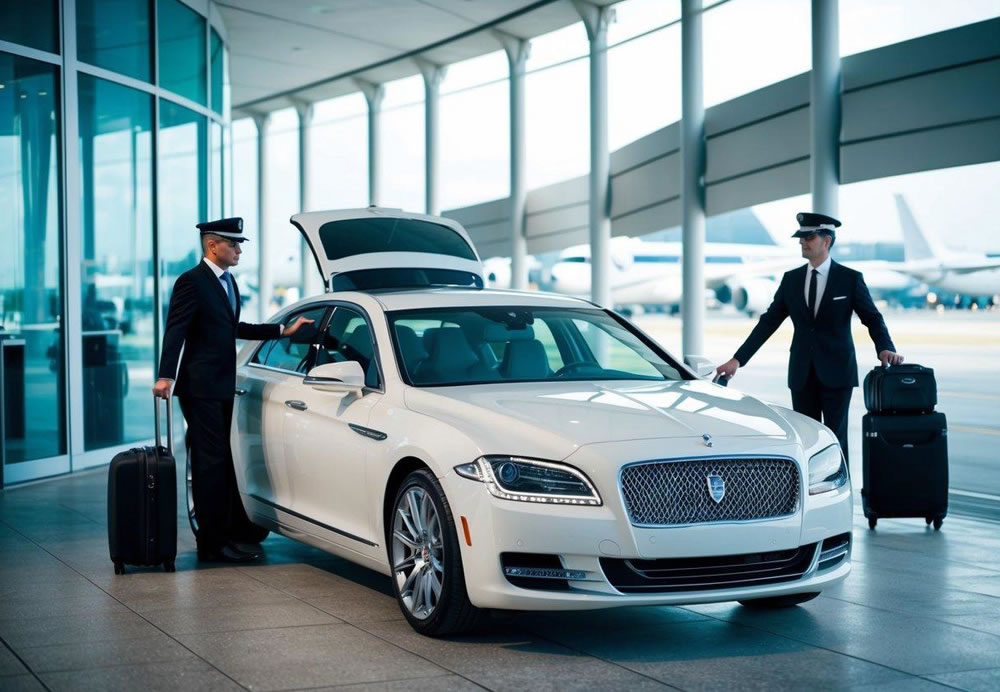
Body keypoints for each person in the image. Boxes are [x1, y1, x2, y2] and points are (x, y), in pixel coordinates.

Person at [153, 218, 313, 563]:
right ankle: (212, 544)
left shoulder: (228, 282)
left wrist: (283, 331)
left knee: (220, 462)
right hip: (200, 390)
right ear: (212, 246)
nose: (239, 250)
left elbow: (233, 327)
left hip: (222, 387)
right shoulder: (191, 282)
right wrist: (166, 376)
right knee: (210, 464)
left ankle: (223, 536)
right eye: (233, 244)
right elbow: (176, 329)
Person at [716, 212, 903, 462]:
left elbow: (872, 317)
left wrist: (884, 348)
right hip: (802, 374)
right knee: (806, 441)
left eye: (809, 237)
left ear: (827, 241)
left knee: (835, 440)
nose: (802, 242)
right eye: (801, 237)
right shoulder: (791, 280)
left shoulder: (849, 279)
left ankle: (839, 485)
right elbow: (768, 322)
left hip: (837, 373)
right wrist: (737, 360)